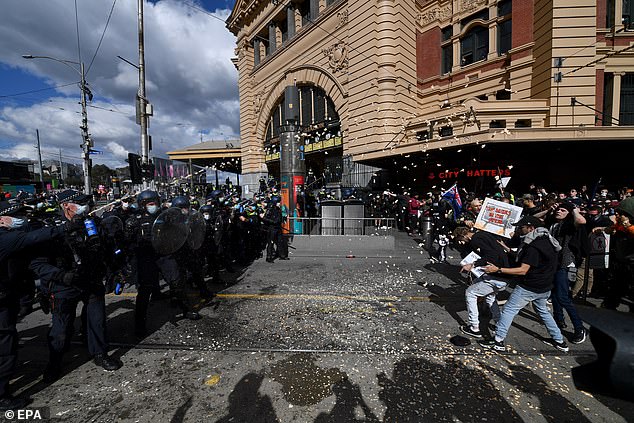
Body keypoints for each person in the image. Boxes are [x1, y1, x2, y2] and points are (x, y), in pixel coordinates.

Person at [29, 190, 122, 382]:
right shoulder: (50, 228)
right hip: (63, 284)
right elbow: (37, 263)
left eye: (85, 203)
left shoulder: (92, 223)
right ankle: (54, 362)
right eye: (78, 203)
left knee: (96, 320)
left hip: (91, 279)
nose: (84, 207)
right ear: (65, 206)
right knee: (61, 328)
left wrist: (115, 271)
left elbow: (106, 249)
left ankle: (99, 353)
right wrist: (61, 275)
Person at [0, 201, 67, 410]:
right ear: (2, 219)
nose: (23, 218)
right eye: (16, 215)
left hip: (9, 296)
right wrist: (65, 226)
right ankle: (2, 396)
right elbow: (34, 237)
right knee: (5, 347)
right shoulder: (6, 238)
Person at [479, 215, 569, 352]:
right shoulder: (548, 240)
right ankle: (560, 341)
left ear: (531, 228)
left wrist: (497, 269)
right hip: (544, 286)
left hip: (530, 286)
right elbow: (531, 261)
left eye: (521, 227)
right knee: (543, 311)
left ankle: (498, 341)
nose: (518, 230)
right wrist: (507, 249)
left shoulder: (533, 246)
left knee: (509, 310)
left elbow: (522, 270)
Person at [453, 226, 511, 338]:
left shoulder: (476, 240)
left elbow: (491, 255)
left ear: (464, 235)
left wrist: (473, 264)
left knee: (470, 293)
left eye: (461, 239)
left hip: (497, 275)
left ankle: (474, 327)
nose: (461, 242)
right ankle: (498, 323)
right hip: (501, 274)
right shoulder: (482, 235)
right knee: (489, 296)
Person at [547, 202, 587, 343]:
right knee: (554, 294)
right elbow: (533, 218)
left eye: (563, 210)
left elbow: (581, 221)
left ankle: (579, 328)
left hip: (565, 264)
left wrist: (574, 209)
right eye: (558, 209)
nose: (559, 211)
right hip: (554, 264)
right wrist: (550, 209)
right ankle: (559, 321)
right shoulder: (554, 224)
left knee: (563, 297)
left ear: (569, 213)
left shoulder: (571, 225)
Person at [597, 197, 634, 310]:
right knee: (613, 294)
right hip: (620, 265)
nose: (617, 215)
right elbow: (611, 229)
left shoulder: (629, 227)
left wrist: (628, 227)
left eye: (621, 213)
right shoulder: (619, 226)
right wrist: (603, 229)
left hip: (632, 266)